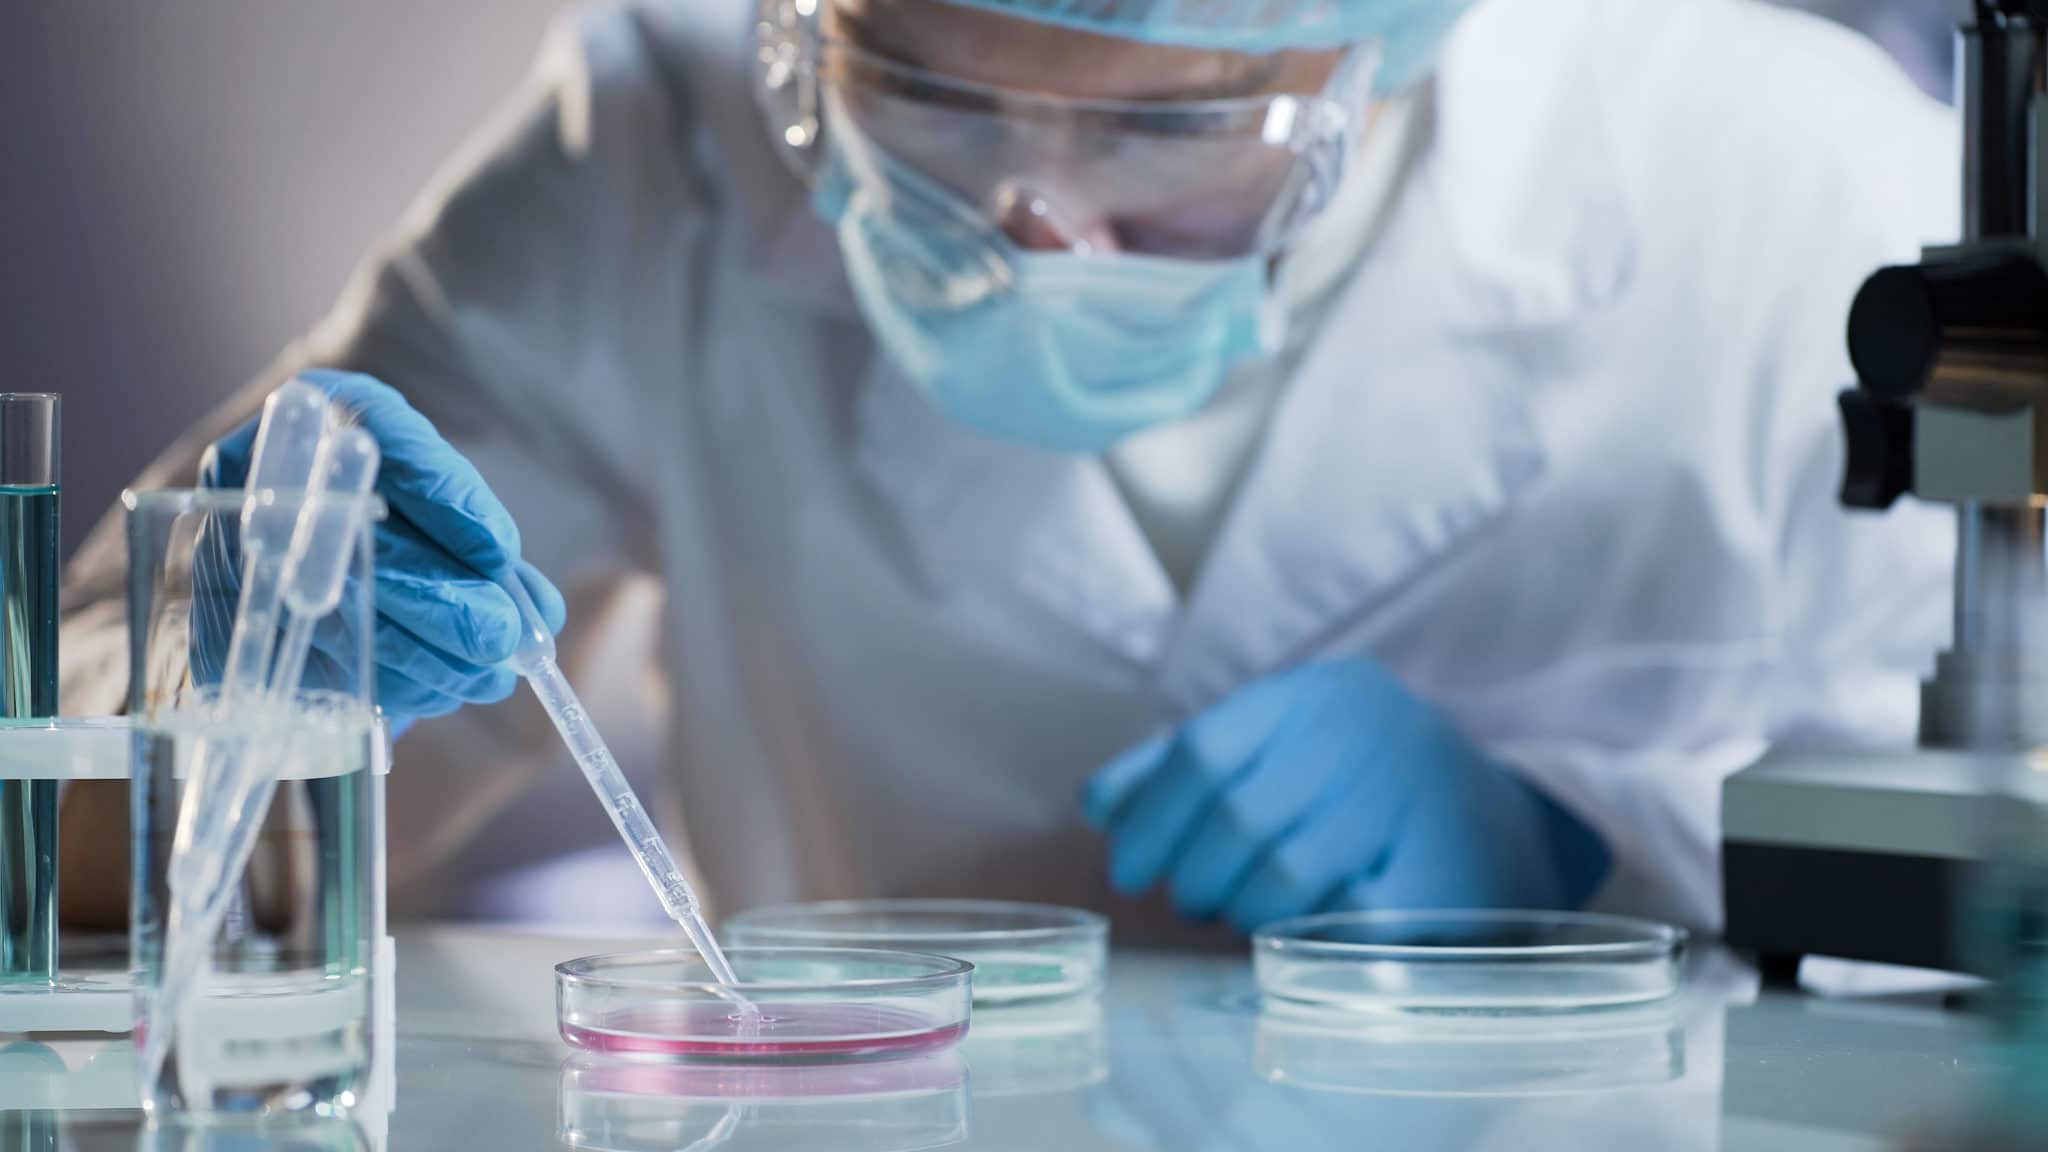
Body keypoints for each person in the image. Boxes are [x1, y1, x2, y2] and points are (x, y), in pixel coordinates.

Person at [60, 0, 1957, 938]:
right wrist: (229, 690)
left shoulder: (1793, 188)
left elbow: (2014, 883)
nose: (1034, 227)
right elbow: (54, 813)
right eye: (933, 103)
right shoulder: (654, 138)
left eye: (1184, 135)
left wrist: (1596, 836)